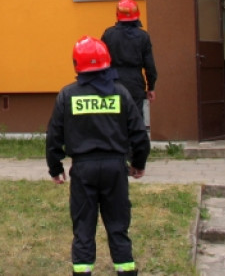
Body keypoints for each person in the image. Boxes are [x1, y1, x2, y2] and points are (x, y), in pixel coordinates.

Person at [46, 36, 146, 276]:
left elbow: (53, 135)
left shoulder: (67, 95)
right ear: (107, 63)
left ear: (76, 65)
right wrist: (138, 163)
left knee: (83, 229)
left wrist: (55, 167)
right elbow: (139, 133)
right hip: (115, 169)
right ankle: (126, 271)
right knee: (118, 228)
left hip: (83, 170)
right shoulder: (120, 93)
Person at [101, 0, 157, 141]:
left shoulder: (108, 34)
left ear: (117, 15)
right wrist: (151, 87)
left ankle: (116, 150)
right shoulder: (143, 36)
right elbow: (149, 65)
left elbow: (102, 61)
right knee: (135, 118)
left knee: (114, 118)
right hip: (135, 82)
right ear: (136, 14)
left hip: (112, 81)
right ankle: (136, 152)